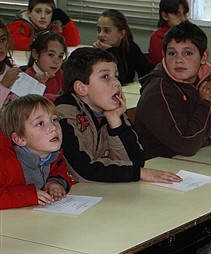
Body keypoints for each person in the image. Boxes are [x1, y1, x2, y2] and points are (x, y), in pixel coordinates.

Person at [55, 47, 181, 184]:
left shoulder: (111, 111)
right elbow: (83, 171)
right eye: (105, 77)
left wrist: (116, 123)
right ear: (81, 88)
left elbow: (135, 161)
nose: (116, 83)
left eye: (116, 76)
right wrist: (138, 173)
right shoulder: (64, 116)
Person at [134, 20, 211, 159]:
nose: (179, 60)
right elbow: (186, 145)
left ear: (203, 57)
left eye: (188, 53)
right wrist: (208, 104)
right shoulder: (158, 90)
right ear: (164, 55)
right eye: (172, 53)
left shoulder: (204, 79)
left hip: (196, 162)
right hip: (162, 167)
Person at [0, 95, 75, 209]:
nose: (53, 127)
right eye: (40, 123)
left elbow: (59, 171)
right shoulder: (4, 162)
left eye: (54, 119)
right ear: (20, 139)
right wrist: (28, 196)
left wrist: (55, 182)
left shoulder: (52, 155)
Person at [93, 9, 153, 84]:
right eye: (99, 30)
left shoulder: (131, 48)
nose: (100, 35)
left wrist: (112, 51)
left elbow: (147, 73)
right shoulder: (95, 53)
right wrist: (111, 51)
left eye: (107, 31)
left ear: (121, 34)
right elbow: (117, 81)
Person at [7, 0, 80, 51]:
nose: (43, 16)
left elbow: (72, 41)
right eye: (38, 11)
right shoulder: (21, 25)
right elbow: (14, 41)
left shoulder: (51, 28)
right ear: (29, 13)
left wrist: (65, 20)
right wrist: (47, 43)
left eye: (48, 12)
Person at [147, 0, 189, 66]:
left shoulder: (188, 34)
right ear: (165, 16)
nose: (183, 19)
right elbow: (171, 65)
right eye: (176, 14)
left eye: (185, 13)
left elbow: (201, 56)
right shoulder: (158, 38)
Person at [23, 31, 67, 101]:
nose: (56, 61)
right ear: (35, 54)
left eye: (60, 56)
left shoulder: (62, 75)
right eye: (51, 55)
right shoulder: (27, 78)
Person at [0, 18, 22, 109]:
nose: (0, 46)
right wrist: (4, 86)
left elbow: (18, 105)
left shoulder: (10, 66)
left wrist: (34, 85)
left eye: (3, 39)